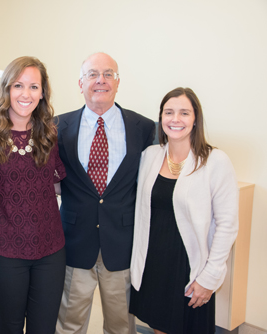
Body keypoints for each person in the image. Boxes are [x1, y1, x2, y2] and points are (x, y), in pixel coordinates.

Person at [0, 56, 66, 334]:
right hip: (2, 249)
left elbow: (56, 184)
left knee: (44, 328)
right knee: (9, 328)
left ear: (43, 92)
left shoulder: (50, 134)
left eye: (34, 87)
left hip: (50, 250)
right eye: (18, 85)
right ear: (7, 89)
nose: (26, 94)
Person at [55, 52, 155, 334]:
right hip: (75, 244)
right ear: (80, 82)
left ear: (118, 81)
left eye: (108, 74)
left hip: (121, 245)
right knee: (68, 325)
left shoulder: (144, 128)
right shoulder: (57, 127)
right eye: (93, 74)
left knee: (122, 326)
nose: (101, 80)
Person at [129, 87, 239, 334]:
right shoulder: (150, 156)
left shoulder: (215, 161)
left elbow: (227, 225)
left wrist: (209, 277)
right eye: (168, 112)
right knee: (159, 328)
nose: (175, 119)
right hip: (154, 264)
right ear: (161, 118)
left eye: (184, 113)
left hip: (189, 268)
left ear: (195, 119)